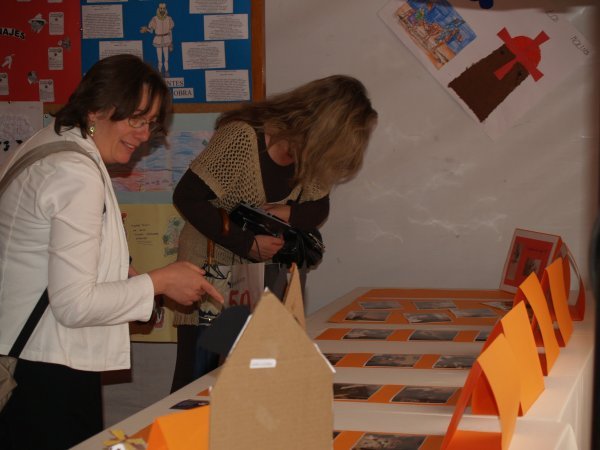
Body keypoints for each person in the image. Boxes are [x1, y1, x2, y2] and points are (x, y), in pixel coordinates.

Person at [0, 54, 223, 450]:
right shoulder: (75, 172)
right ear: (97, 109)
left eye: (151, 123)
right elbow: (74, 305)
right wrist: (160, 282)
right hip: (44, 370)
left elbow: (38, 254)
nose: (144, 135)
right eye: (136, 119)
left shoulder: (50, 141)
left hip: (31, 354)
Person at [170, 74, 378, 391]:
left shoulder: (308, 155)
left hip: (257, 282)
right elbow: (187, 197)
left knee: (252, 382)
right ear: (324, 129)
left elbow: (318, 208)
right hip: (213, 276)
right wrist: (246, 243)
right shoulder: (242, 138)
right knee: (203, 380)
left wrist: (288, 212)